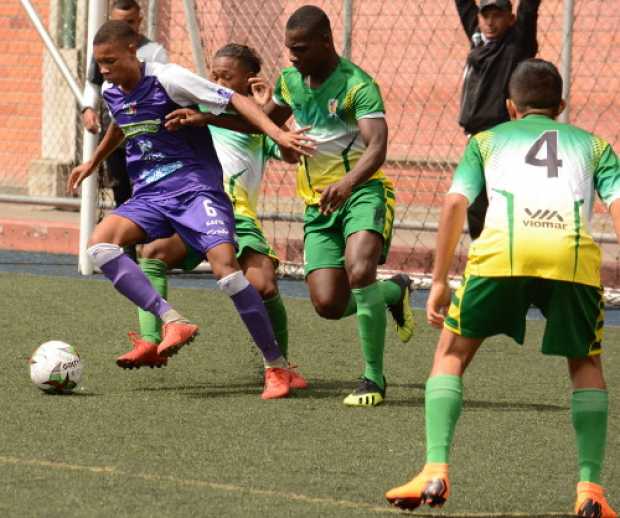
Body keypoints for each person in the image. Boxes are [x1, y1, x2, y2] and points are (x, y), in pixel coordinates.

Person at [385, 59, 618, 517]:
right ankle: (590, 490)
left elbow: (455, 203)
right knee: (586, 363)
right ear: (562, 106)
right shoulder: (595, 145)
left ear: (511, 107)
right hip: (570, 258)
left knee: (451, 355)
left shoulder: (485, 141)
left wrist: (437, 281)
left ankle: (435, 469)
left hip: (501, 256)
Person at [175, 5, 413, 407]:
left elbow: (378, 146)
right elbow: (261, 123)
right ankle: (392, 292)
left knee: (359, 268)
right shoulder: (290, 81)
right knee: (327, 304)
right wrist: (206, 120)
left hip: (363, 191)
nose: (293, 57)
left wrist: (347, 182)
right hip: (318, 205)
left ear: (325, 41)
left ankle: (373, 377)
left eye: (300, 49)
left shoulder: (358, 85)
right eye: (289, 49)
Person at [68, 21, 314, 399]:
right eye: (99, 64)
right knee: (100, 247)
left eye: (110, 61)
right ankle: (172, 321)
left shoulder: (170, 78)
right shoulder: (115, 90)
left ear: (133, 50)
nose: (104, 71)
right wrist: (93, 161)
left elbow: (236, 101)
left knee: (227, 271)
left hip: (194, 190)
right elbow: (120, 123)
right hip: (151, 195)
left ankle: (276, 366)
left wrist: (278, 133)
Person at [455, 0, 541, 239]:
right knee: (476, 202)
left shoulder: (517, 44)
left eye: (498, 16)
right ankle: (482, 256)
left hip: (504, 137)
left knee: (505, 201)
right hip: (477, 138)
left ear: (510, 19)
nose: (490, 23)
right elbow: (463, 5)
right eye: (486, 16)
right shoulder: (479, 39)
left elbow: (528, 9)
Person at [82, 0, 168, 226]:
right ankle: (129, 250)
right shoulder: (105, 51)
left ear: (139, 21)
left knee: (151, 191)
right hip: (117, 138)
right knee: (122, 193)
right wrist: (88, 108)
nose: (126, 27)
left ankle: (153, 246)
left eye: (130, 22)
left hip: (147, 138)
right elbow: (92, 84)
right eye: (119, 22)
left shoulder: (155, 53)